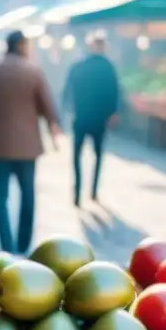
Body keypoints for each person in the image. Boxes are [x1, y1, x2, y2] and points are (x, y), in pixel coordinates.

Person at [0, 31, 60, 255]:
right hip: (27, 146)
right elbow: (46, 106)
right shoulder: (33, 71)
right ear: (22, 46)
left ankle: (6, 245)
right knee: (28, 195)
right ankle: (23, 245)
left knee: (0, 196)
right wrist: (52, 124)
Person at [63, 32, 121, 208]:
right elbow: (115, 92)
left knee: (83, 156)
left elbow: (67, 91)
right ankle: (85, 191)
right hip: (91, 118)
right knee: (90, 156)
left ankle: (87, 191)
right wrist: (113, 112)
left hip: (86, 118)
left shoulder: (80, 65)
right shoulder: (106, 67)